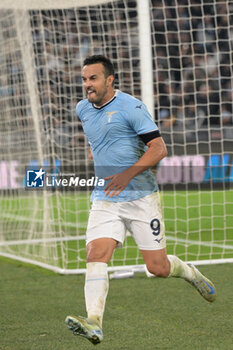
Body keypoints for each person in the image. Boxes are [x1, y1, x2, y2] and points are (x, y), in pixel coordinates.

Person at [65, 55, 216, 345]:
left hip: (141, 197)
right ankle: (94, 322)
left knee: (157, 268)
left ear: (109, 80)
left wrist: (125, 174)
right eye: (84, 79)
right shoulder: (82, 109)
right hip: (105, 196)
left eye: (93, 78)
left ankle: (189, 272)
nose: (87, 85)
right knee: (96, 254)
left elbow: (159, 149)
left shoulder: (132, 107)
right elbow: (98, 139)